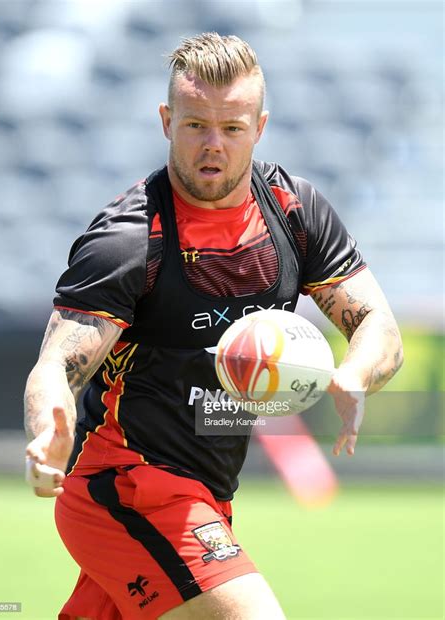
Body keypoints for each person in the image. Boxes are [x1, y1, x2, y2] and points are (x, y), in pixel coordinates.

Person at [24, 32, 403, 620]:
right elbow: (57, 364)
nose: (213, 145)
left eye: (232, 128)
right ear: (166, 121)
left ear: (260, 126)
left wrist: (354, 373)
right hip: (126, 487)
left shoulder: (294, 212)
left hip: (208, 496)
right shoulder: (129, 239)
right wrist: (48, 428)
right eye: (196, 125)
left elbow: (378, 323)